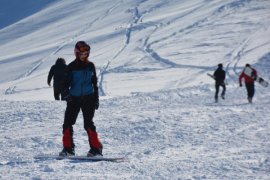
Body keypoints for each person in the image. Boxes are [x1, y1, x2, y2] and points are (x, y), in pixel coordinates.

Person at [59, 41, 102, 157]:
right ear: (77, 53)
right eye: (82, 53)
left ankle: (96, 150)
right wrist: (66, 94)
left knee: (88, 123)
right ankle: (68, 149)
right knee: (67, 123)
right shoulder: (71, 67)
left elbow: (94, 84)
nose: (85, 55)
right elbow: (64, 84)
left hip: (89, 98)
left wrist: (96, 98)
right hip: (74, 99)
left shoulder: (90, 66)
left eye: (86, 53)